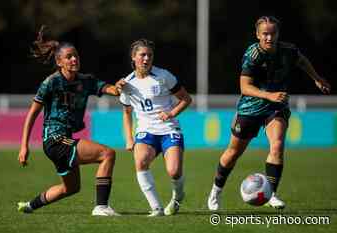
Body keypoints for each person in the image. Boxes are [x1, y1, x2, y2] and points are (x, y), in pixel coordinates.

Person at [207, 16, 331, 210]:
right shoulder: (253, 54)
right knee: (233, 153)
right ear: (257, 35)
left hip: (276, 108)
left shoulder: (288, 50)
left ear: (278, 34)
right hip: (250, 108)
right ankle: (216, 191)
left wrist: (316, 78)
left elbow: (301, 60)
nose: (269, 37)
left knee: (277, 145)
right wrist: (269, 95)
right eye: (265, 33)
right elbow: (244, 87)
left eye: (272, 33)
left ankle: (271, 193)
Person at [17, 25, 126, 216]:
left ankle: (29, 206)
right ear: (59, 62)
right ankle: (101, 207)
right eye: (69, 57)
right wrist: (24, 146)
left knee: (71, 188)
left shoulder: (85, 81)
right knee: (107, 154)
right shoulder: (51, 82)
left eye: (75, 55)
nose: (74, 59)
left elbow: (111, 90)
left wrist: (118, 86)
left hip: (62, 140)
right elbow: (32, 114)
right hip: (55, 139)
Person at [119, 39, 192, 216]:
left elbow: (186, 99)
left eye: (149, 55)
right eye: (142, 55)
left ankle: (178, 196)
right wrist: (129, 139)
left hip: (169, 129)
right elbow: (127, 113)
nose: (146, 59)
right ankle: (156, 208)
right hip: (146, 131)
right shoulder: (126, 83)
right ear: (133, 57)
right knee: (141, 161)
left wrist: (171, 114)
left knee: (174, 171)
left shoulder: (164, 76)